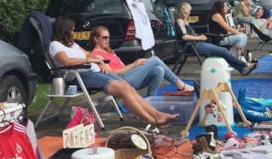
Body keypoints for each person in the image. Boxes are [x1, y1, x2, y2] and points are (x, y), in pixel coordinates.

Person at [48, 17, 178, 128]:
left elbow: (89, 54)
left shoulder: (73, 45)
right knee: (123, 89)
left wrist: (99, 61)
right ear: (64, 30)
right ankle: (153, 120)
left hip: (95, 71)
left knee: (128, 87)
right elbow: (66, 62)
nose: (74, 32)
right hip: (82, 75)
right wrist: (90, 60)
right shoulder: (55, 45)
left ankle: (157, 115)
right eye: (72, 29)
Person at [90, 25, 194, 96]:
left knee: (158, 70)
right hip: (120, 81)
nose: (108, 40)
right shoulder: (96, 55)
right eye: (104, 37)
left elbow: (121, 66)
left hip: (128, 76)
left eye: (108, 37)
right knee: (155, 60)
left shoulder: (109, 51)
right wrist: (134, 64)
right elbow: (111, 73)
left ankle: (150, 100)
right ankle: (180, 85)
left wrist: (134, 67)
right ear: (96, 39)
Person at [176, 2, 256, 75]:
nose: (190, 12)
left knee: (223, 51)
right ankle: (244, 65)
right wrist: (198, 37)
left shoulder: (184, 21)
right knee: (223, 51)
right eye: (188, 11)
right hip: (192, 45)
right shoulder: (179, 21)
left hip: (196, 44)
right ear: (184, 12)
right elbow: (184, 36)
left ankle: (242, 68)